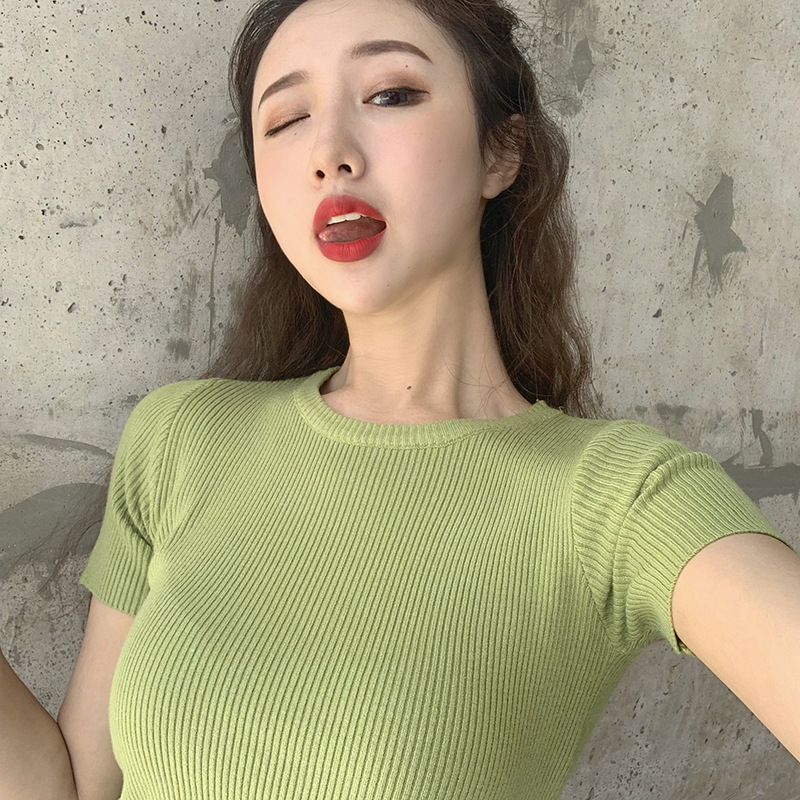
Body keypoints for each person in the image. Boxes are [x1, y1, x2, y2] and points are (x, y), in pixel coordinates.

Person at [1, 0, 799, 798]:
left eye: (390, 94)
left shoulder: (616, 500)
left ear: (501, 151)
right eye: (286, 119)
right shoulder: (182, 436)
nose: (330, 154)